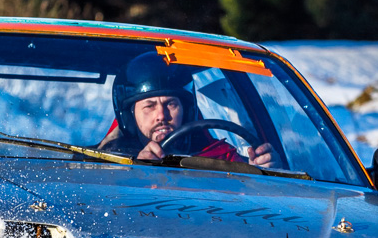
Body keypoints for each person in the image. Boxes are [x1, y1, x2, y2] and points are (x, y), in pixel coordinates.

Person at [100, 51, 274, 167]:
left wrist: (264, 172)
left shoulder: (220, 158)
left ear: (187, 110)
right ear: (130, 117)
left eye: (171, 104)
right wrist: (137, 172)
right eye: (149, 106)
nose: (161, 115)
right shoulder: (107, 165)